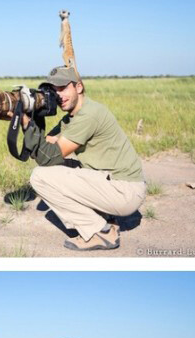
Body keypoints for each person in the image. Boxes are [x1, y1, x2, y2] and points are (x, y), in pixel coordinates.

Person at [19, 65, 146, 252]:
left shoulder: (89, 115)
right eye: (53, 91)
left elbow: (47, 157)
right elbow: (46, 144)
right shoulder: (73, 116)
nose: (58, 95)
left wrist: (24, 121)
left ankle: (99, 233)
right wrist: (32, 114)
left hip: (125, 191)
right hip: (117, 184)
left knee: (39, 176)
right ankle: (105, 217)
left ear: (78, 87)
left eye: (63, 88)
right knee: (61, 165)